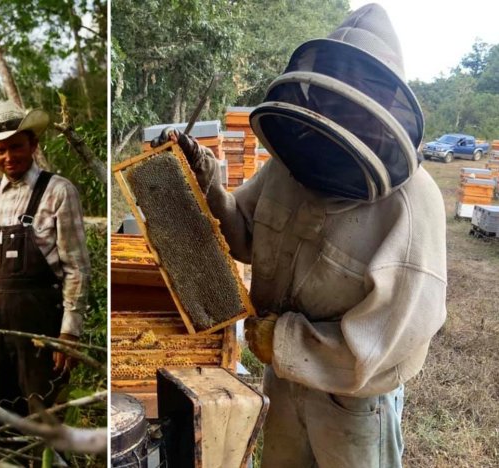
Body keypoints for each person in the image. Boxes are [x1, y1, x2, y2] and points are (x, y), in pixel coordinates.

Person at [156, 4, 445, 467]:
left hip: (351, 400)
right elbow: (245, 235)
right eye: (336, 82)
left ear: (384, 95)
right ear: (318, 83)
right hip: (282, 382)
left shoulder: (411, 204)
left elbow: (391, 338)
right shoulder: (290, 164)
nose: (341, 101)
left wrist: (288, 342)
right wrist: (203, 178)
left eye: (360, 84)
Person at [0, 100, 91, 421]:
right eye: (0, 150)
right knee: (1, 423)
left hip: (43, 334)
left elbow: (76, 268)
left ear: (33, 144)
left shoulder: (58, 192)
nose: (9, 157)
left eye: (16, 147)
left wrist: (69, 334)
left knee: (46, 422)